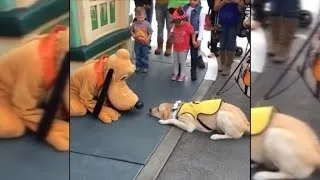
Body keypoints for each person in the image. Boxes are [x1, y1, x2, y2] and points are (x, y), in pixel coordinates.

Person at [214, 0, 246, 76]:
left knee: (231, 44)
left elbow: (243, 7)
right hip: (222, 22)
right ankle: (222, 63)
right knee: (222, 44)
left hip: (234, 23)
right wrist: (224, 2)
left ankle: (228, 66)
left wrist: (236, 2)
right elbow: (215, 8)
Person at [170, 8, 196, 82]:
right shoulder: (175, 25)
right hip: (175, 47)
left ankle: (182, 74)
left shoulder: (188, 26)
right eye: (175, 22)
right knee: (175, 61)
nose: (176, 24)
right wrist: (171, 36)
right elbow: (171, 34)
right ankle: (176, 73)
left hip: (183, 48)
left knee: (182, 61)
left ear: (183, 19)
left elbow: (193, 33)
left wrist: (193, 41)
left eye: (178, 22)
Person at [183, 0, 206, 80]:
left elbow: (201, 26)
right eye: (191, 0)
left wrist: (199, 38)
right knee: (182, 53)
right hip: (185, 34)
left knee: (194, 54)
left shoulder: (201, 10)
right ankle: (180, 70)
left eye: (195, 0)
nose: (193, 2)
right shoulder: (185, 7)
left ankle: (193, 71)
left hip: (195, 35)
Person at [130, 7, 153, 73]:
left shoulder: (147, 24)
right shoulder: (134, 24)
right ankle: (138, 66)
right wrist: (133, 35)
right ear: (136, 16)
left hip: (145, 44)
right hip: (137, 43)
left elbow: (150, 32)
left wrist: (148, 38)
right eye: (138, 18)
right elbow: (131, 30)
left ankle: (145, 66)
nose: (140, 19)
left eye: (141, 17)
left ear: (145, 16)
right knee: (138, 55)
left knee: (145, 55)